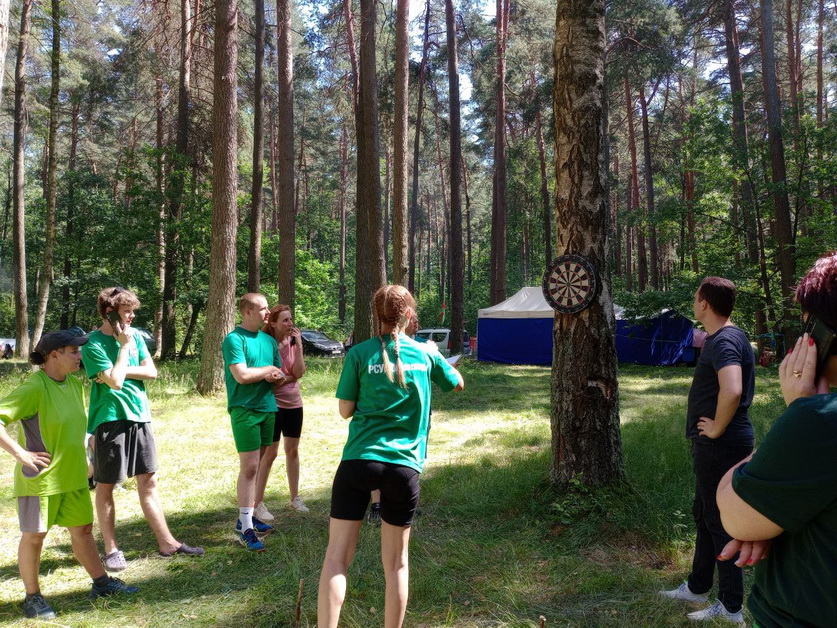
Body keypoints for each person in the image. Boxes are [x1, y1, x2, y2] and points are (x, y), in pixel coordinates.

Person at [318, 285, 464, 628]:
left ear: (377, 316)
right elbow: (457, 383)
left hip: (358, 462)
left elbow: (344, 411)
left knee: (336, 560)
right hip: (404, 468)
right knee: (397, 565)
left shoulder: (359, 353)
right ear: (409, 315)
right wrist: (434, 354)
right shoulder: (426, 354)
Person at [717, 251, 837, 627]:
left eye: (808, 327)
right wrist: (777, 515)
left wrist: (797, 410)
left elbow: (736, 517)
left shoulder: (819, 421)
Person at [0, 330, 138, 620]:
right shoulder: (34, 387)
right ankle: (33, 597)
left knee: (83, 530)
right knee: (35, 537)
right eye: (74, 351)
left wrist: (88, 457)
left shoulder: (75, 384)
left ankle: (101, 583)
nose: (80, 356)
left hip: (73, 475)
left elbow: (76, 426)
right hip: (41, 480)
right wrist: (20, 453)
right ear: (54, 355)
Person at [82, 287, 203, 571]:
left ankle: (167, 543)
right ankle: (111, 549)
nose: (133, 316)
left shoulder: (136, 336)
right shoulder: (92, 343)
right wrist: (123, 352)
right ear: (110, 314)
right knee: (106, 485)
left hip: (140, 416)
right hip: (110, 418)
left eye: (133, 310)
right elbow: (115, 384)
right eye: (127, 312)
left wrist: (118, 368)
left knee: (148, 481)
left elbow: (151, 372)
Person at [660, 277, 755, 625]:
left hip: (720, 444)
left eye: (696, 296)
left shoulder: (725, 340)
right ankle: (698, 586)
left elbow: (732, 389)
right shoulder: (728, 336)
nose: (694, 301)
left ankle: (731, 608)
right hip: (720, 443)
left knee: (719, 521)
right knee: (703, 513)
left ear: (705, 303)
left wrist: (715, 427)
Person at [222, 293, 285, 551]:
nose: (267, 312)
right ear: (246, 312)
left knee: (258, 465)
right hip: (244, 409)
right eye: (262, 309)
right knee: (249, 467)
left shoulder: (269, 341)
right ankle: (246, 527)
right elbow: (241, 375)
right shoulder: (233, 339)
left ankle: (246, 519)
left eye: (267, 307)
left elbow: (280, 374)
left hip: (268, 408)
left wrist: (275, 376)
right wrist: (267, 372)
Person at [254, 304, 309, 521]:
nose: (290, 324)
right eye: (285, 320)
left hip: (294, 403)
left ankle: (295, 498)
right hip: (273, 404)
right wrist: (286, 378)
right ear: (273, 323)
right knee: (270, 453)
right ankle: (257, 503)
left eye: (291, 319)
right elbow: (272, 380)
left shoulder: (293, 343)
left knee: (292, 451)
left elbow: (298, 373)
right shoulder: (266, 344)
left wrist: (300, 347)